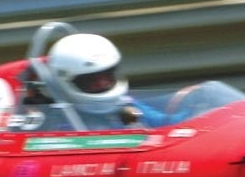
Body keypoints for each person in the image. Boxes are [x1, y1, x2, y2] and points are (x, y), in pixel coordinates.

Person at [44, 33, 177, 129]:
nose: (103, 84)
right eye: (91, 80)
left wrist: (193, 104)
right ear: (67, 81)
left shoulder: (126, 105)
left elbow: (165, 122)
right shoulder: (59, 122)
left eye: (107, 75)